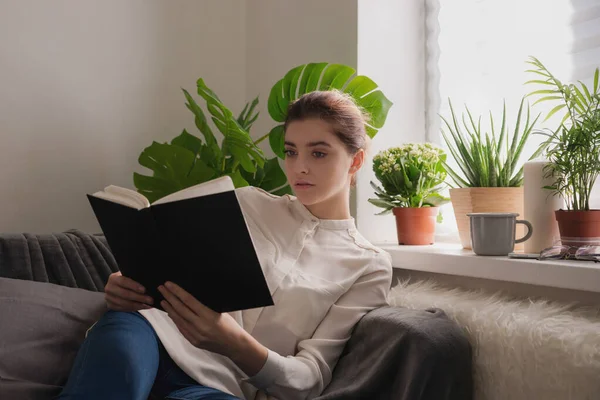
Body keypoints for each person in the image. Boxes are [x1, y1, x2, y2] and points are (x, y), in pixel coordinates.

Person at [57, 90, 393, 400]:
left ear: (356, 161)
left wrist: (234, 344)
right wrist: (124, 283)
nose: (300, 167)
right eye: (291, 151)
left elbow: (310, 377)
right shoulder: (246, 203)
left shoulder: (367, 266)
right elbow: (166, 259)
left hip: (221, 384)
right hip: (149, 332)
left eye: (318, 153)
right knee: (119, 362)